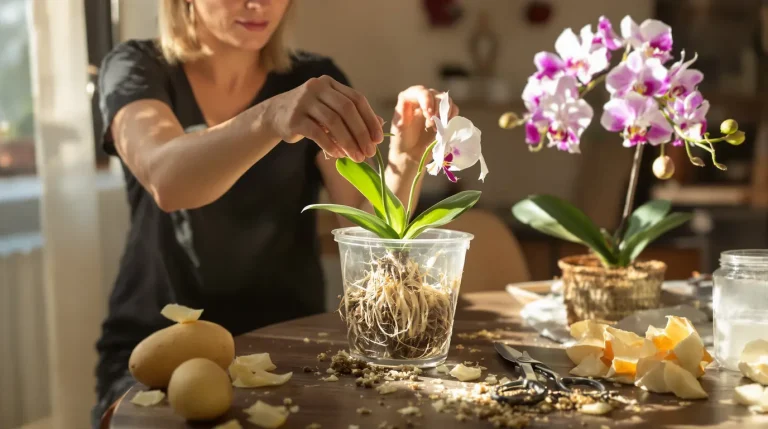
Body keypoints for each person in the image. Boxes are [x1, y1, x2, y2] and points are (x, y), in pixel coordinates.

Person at [91, 0, 459, 427]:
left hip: (290, 348)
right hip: (155, 352)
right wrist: (271, 116)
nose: (259, 3)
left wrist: (407, 156)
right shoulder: (135, 67)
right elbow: (167, 180)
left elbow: (367, 235)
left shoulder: (312, 80)